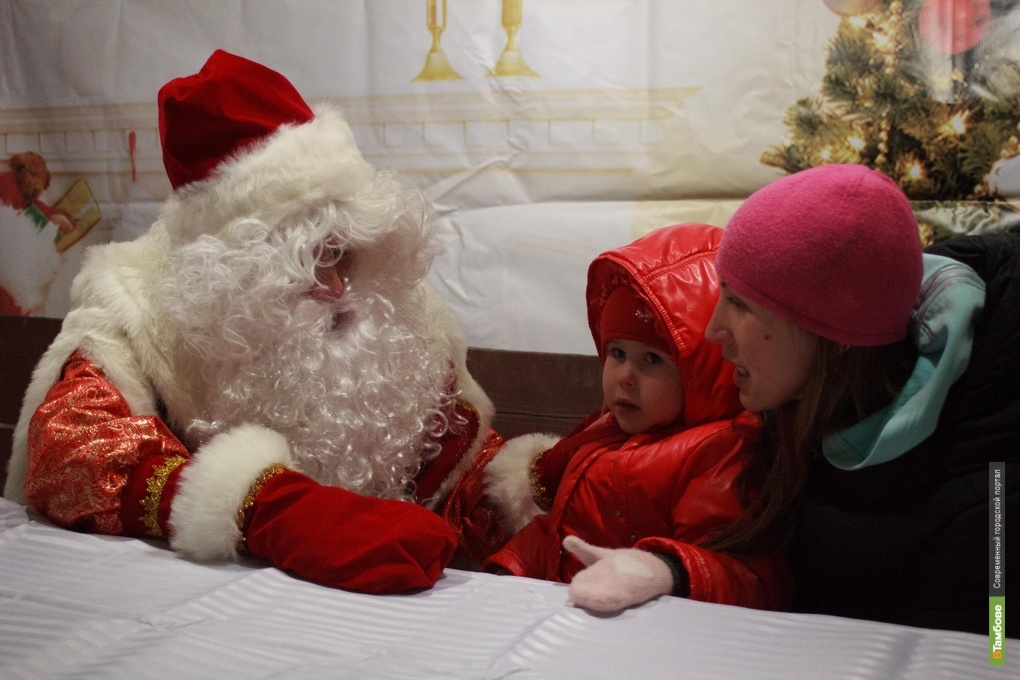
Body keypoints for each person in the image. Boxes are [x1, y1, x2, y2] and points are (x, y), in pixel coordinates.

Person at [2, 50, 501, 594]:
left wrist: (534, 485)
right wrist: (261, 506)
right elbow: (72, 451)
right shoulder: (137, 303)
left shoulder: (388, 306)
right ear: (236, 278)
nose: (336, 289)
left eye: (342, 253)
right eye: (305, 266)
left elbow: (455, 473)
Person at [704, 163, 1019, 633]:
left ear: (834, 335)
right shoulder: (794, 403)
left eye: (740, 303)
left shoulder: (988, 510)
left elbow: (993, 657)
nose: (713, 331)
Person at [448, 223, 791, 613]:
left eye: (652, 359)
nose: (625, 377)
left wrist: (660, 571)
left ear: (703, 369)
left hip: (649, 629)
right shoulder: (603, 433)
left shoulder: (719, 451)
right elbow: (558, 532)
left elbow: (739, 573)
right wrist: (509, 572)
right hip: (571, 612)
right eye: (617, 353)